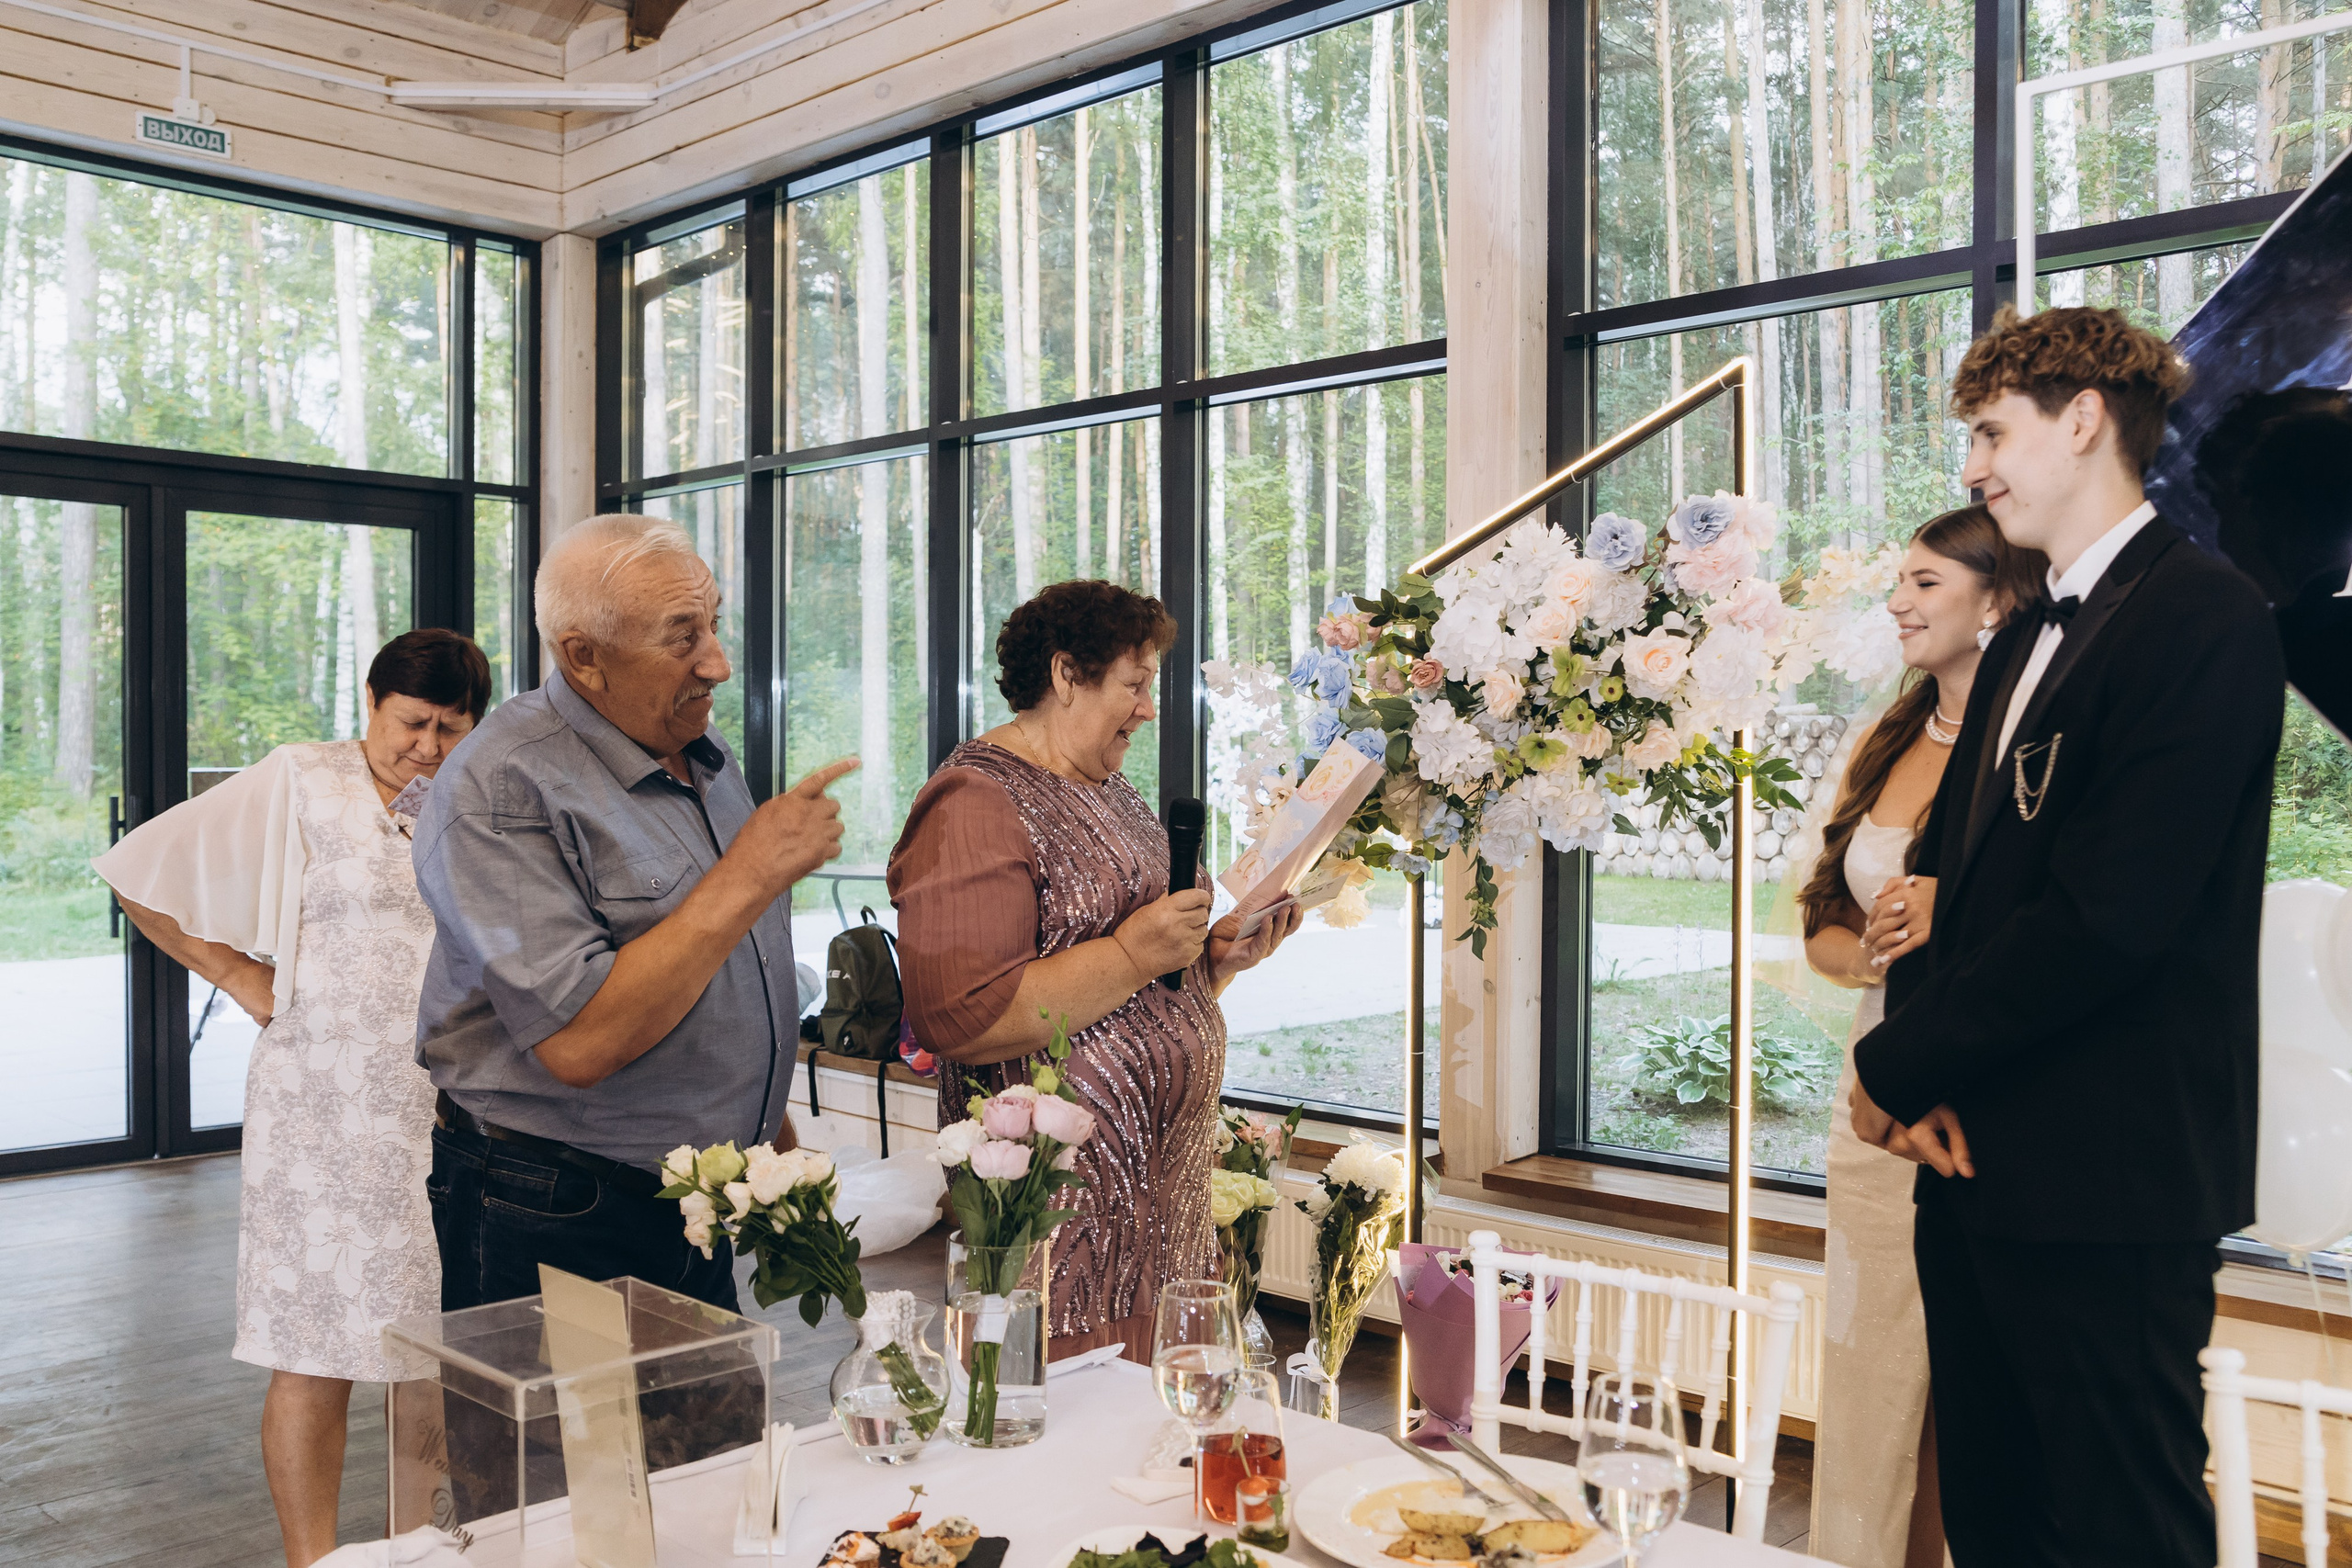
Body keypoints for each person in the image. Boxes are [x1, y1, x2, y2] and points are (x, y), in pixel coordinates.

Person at [1850, 305, 2283, 1568]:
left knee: (2120, 1527)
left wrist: (1898, 1066)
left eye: (1992, 429)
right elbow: (1954, 884)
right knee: (1997, 1519)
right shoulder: (2032, 629)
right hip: (1976, 1162)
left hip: (2109, 1177)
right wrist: (1927, 1062)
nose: (1973, 465)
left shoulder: (2203, 617)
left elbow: (2111, 917)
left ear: (2084, 417)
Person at [95, 628, 490, 1568]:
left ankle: (414, 1551)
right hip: (321, 1108)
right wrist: (237, 971)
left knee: (428, 1349)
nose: (429, 747)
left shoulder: (474, 802)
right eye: (413, 723)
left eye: (451, 727)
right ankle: (309, 1562)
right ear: (371, 701)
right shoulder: (302, 776)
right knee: (312, 1347)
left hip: (449, 1107)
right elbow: (140, 868)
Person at [413, 514, 854, 1314]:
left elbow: (723, 975)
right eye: (681, 637)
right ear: (583, 655)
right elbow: (580, 1039)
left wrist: (780, 1155)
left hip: (698, 1199)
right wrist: (751, 871)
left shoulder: (700, 753)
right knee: (576, 1444)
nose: (716, 662)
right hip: (560, 1204)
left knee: (708, 1440)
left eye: (714, 622)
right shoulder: (502, 785)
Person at [888, 580, 1304, 1361]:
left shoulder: (1116, 793)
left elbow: (1138, 994)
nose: (1149, 708)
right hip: (1060, 1220)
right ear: (1066, 674)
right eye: (1135, 685)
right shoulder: (973, 800)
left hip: (1161, 1214)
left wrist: (1213, 963)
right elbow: (960, 1014)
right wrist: (1134, 952)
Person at [1794, 506, 2044, 1568]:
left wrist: (1951, 922)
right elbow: (1820, 924)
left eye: (1926, 582)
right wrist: (1873, 959)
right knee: (1872, 1362)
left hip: (1982, 1089)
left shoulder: (2032, 752)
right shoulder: (1881, 738)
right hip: (1873, 1084)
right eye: (1898, 581)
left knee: (1972, 1378)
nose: (1898, 601)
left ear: (1998, 600)